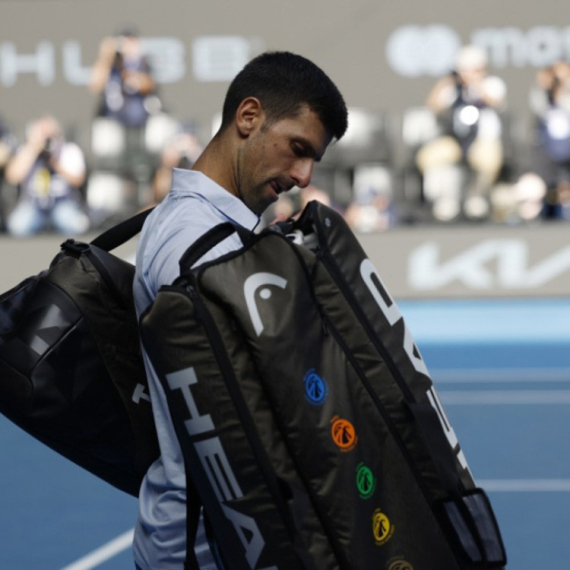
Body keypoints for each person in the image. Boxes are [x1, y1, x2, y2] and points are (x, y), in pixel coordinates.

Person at [133, 51, 347, 570]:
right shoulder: (201, 248)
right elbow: (251, 418)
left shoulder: (211, 231)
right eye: (297, 149)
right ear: (248, 117)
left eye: (313, 159)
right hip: (210, 548)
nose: (303, 174)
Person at [416, 45, 507, 221]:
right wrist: (446, 82)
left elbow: (494, 101)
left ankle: (478, 197)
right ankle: (444, 200)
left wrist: (475, 83)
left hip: (483, 141)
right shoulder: (453, 89)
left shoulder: (492, 84)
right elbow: (433, 106)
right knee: (430, 156)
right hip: (455, 140)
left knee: (488, 159)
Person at [4, 116, 89, 237]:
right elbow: (12, 177)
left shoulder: (69, 150)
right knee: (17, 227)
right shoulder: (26, 151)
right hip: (33, 205)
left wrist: (55, 162)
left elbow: (78, 180)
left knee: (75, 226)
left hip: (63, 203)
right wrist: (33, 149)